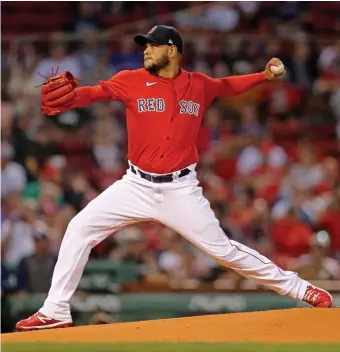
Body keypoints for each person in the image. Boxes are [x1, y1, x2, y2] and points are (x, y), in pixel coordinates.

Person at [16, 25, 332, 331]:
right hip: (135, 185)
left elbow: (227, 86)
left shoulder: (199, 84)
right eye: (145, 45)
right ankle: (55, 310)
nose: (146, 50)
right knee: (79, 228)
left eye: (152, 45)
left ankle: (300, 289)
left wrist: (262, 77)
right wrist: (70, 99)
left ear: (172, 50)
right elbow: (97, 92)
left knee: (224, 251)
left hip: (181, 189)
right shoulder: (130, 80)